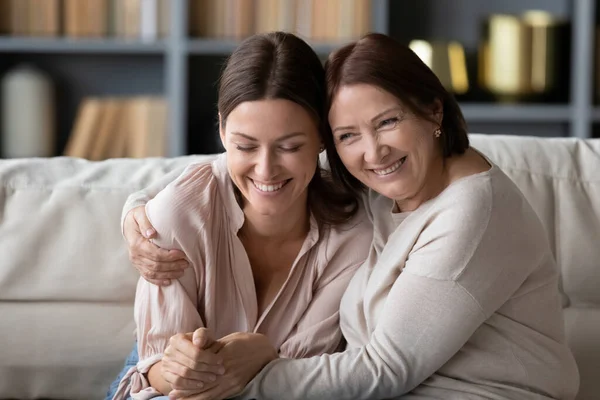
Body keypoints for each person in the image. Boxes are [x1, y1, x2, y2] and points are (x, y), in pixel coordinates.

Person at [131, 33, 580, 400]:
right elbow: (249, 168)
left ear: (432, 110)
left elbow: (386, 368)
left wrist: (249, 375)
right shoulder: (380, 183)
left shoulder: (471, 212)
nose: (373, 150)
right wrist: (139, 213)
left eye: (388, 122)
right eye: (349, 134)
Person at [106, 31, 372, 400]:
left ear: (322, 136)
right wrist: (179, 367)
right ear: (221, 130)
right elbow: (153, 376)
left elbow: (306, 373)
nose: (266, 170)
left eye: (290, 146)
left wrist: (262, 353)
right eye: (245, 146)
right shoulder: (176, 215)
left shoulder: (352, 233)